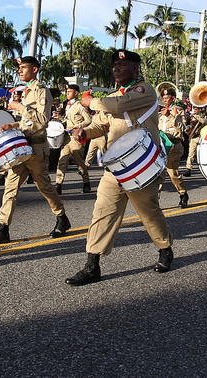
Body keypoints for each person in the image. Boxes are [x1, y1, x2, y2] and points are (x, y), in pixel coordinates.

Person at [65, 49, 174, 286]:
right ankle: (92, 265)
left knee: (148, 213)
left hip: (140, 164)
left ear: (135, 69)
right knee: (102, 213)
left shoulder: (145, 90)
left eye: (122, 66)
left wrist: (90, 101)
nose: (116, 69)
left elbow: (118, 105)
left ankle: (165, 248)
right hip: (115, 166)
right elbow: (101, 124)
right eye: (114, 65)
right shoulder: (114, 96)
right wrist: (85, 132)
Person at [0, 56, 71, 244]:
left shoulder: (41, 91)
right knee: (10, 188)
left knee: (44, 186)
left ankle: (62, 219)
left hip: (36, 148)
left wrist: (18, 107)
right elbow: (26, 122)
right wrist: (11, 126)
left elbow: (42, 120)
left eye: (24, 67)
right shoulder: (27, 91)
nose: (20, 71)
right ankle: (2, 228)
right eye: (19, 68)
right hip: (21, 146)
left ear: (35, 69)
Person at [55, 83, 92, 194]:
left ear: (76, 93)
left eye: (69, 92)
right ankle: (58, 185)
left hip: (77, 138)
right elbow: (68, 120)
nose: (67, 94)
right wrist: (60, 118)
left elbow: (88, 120)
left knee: (80, 163)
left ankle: (86, 182)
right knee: (62, 161)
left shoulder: (80, 106)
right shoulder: (67, 105)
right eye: (67, 92)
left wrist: (75, 127)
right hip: (67, 138)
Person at [158, 85, 189, 208]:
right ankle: (155, 200)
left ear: (173, 98)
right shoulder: (160, 112)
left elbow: (181, 127)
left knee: (173, 174)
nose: (164, 99)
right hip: (161, 145)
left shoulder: (178, 110)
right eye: (163, 97)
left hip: (174, 145)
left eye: (167, 97)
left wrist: (169, 116)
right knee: (158, 173)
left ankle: (183, 193)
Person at [182, 104, 207, 177]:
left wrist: (196, 116)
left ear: (200, 109)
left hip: (201, 137)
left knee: (203, 154)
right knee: (191, 154)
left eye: (196, 109)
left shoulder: (204, 116)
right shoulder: (193, 116)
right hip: (193, 137)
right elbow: (189, 126)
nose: (194, 110)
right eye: (194, 109)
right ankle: (188, 169)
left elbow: (204, 122)